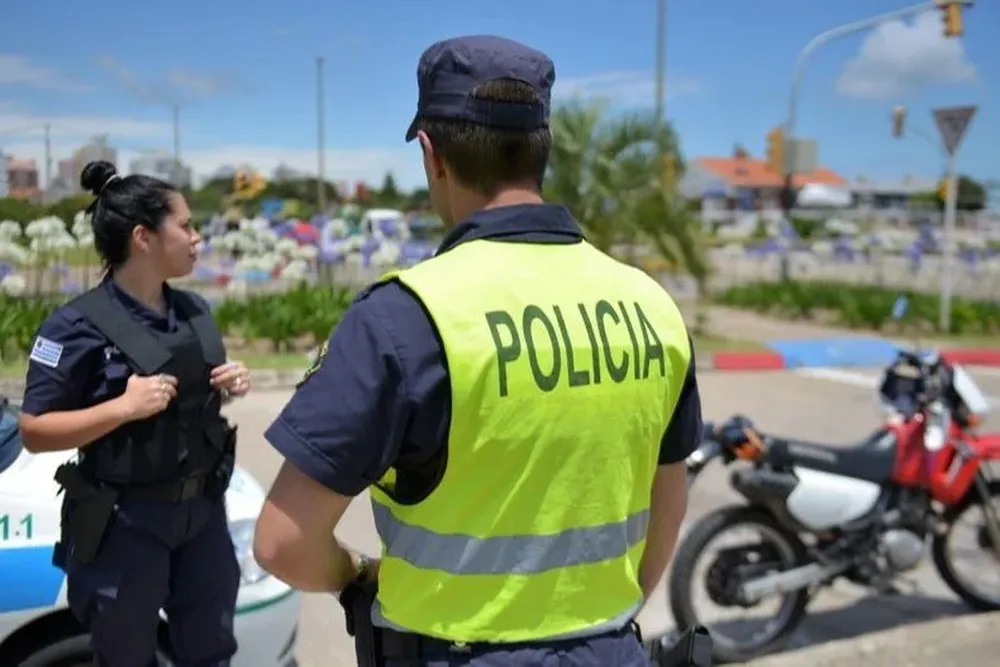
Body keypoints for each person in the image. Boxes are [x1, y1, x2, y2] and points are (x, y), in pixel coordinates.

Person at [252, 34, 702, 667]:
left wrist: (357, 573)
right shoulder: (651, 305)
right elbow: (669, 502)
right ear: (542, 149)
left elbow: (283, 542)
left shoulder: (402, 317)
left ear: (432, 154)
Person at [18, 160, 252, 667]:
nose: (197, 237)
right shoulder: (74, 326)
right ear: (143, 238)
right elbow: (34, 430)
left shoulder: (194, 311)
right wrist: (121, 408)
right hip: (126, 523)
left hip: (202, 514)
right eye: (186, 226)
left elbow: (189, 404)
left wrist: (228, 384)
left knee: (211, 652)